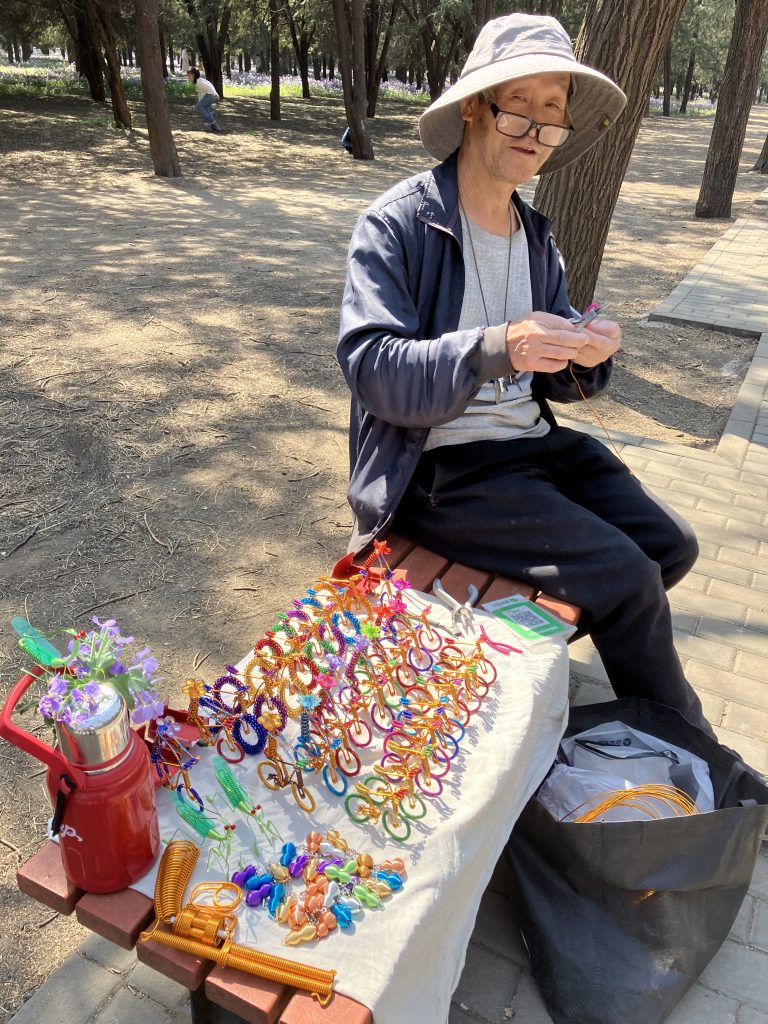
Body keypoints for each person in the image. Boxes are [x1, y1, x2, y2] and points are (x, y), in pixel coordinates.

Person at [336, 13, 712, 732]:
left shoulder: (537, 237)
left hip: (534, 451)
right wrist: (493, 345)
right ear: (476, 105)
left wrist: (587, 356)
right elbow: (371, 367)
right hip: (443, 472)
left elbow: (554, 379)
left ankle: (544, 682)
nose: (535, 127)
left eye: (553, 111)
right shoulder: (399, 224)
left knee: (671, 546)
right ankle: (692, 753)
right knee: (627, 579)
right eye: (520, 103)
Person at [187, 67, 221, 133]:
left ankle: (212, 121)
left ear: (194, 75)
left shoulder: (198, 81)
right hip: (210, 95)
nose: (189, 76)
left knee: (199, 106)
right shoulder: (199, 81)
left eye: (190, 74)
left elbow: (210, 87)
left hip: (210, 95)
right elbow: (201, 93)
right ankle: (215, 127)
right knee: (207, 109)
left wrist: (216, 94)